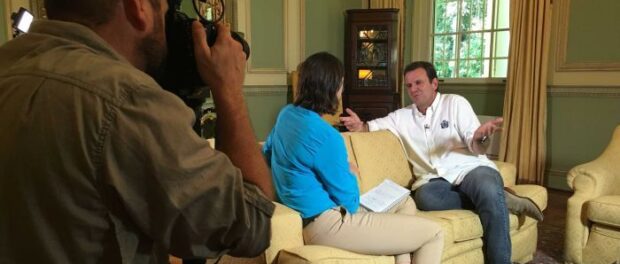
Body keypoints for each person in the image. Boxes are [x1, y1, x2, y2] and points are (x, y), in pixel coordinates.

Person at [0, 0, 275, 263]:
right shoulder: (125, 100)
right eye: (165, 13)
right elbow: (252, 222)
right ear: (138, 7)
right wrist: (228, 90)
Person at [340, 61, 544, 264]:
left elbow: (477, 147)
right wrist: (359, 125)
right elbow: (370, 127)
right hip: (434, 180)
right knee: (425, 199)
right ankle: (501, 198)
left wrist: (481, 137)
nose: (413, 89)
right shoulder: (401, 117)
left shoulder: (455, 103)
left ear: (434, 83)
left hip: (471, 169)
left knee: (487, 189)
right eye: (409, 85)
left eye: (418, 83)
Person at [262, 52, 444, 264]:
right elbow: (349, 202)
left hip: (312, 217)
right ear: (331, 89)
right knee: (434, 233)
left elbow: (267, 154)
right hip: (329, 224)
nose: (341, 91)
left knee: (404, 202)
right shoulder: (326, 136)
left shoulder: (286, 114)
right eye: (340, 85)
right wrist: (350, 172)